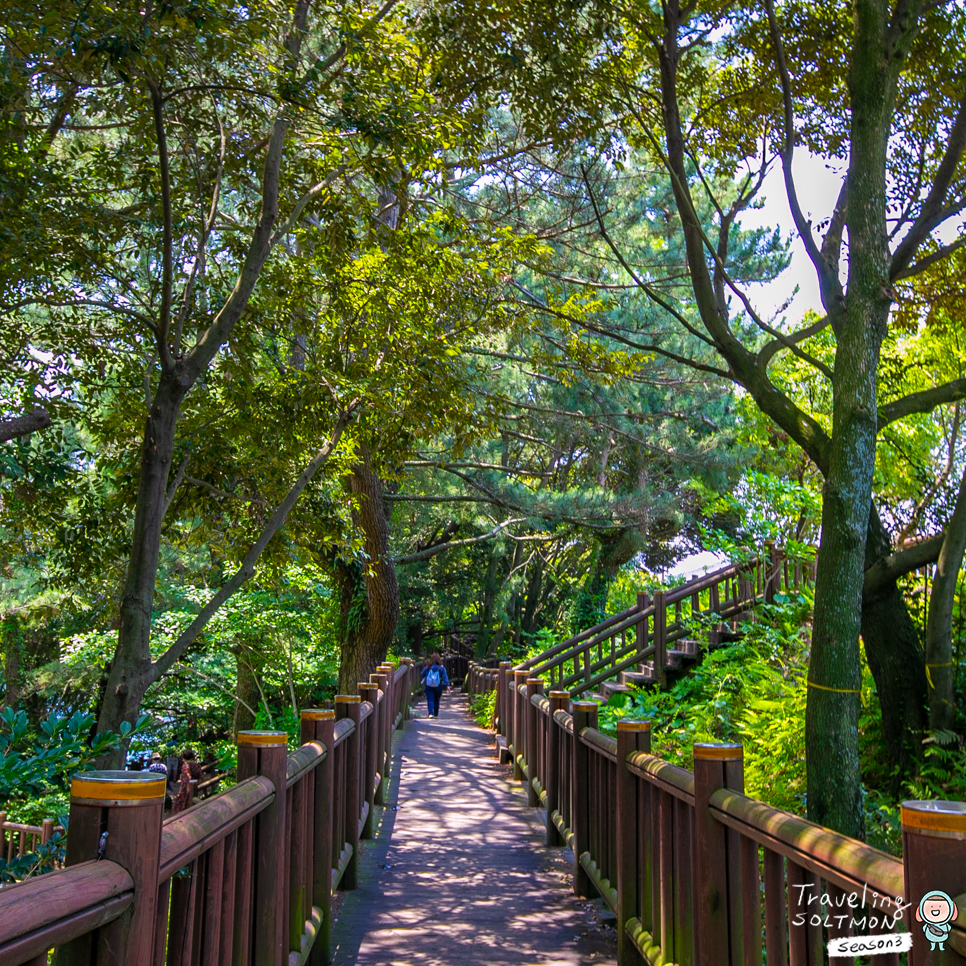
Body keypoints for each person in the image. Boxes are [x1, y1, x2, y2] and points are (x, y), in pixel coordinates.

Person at [171, 748, 202, 814]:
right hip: (195, 783)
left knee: (180, 801)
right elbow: (200, 774)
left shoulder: (185, 766)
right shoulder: (196, 764)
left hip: (186, 786)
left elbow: (187, 778)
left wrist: (187, 787)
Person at [420, 653, 450, 718]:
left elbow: (422, 673)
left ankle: (430, 713)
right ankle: (436, 714)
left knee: (430, 700)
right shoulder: (441, 668)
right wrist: (447, 685)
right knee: (437, 700)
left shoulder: (428, 667)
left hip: (429, 686)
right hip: (438, 686)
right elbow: (445, 677)